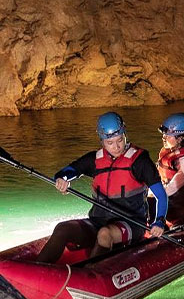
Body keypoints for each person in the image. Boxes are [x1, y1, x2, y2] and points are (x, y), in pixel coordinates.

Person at [33, 112, 168, 263]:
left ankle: (90, 275)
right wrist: (62, 179)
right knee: (63, 228)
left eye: (120, 140)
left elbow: (161, 195)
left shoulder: (140, 162)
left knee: (105, 234)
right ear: (102, 140)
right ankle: (36, 271)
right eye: (110, 143)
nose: (116, 147)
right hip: (99, 220)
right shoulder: (95, 160)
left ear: (125, 134)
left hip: (131, 223)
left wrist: (159, 220)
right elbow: (67, 171)